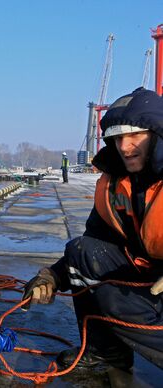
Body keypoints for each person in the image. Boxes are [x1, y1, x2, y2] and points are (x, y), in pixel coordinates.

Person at [22, 87, 163, 371]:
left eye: (135, 135)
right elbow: (94, 241)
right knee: (82, 253)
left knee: (113, 301)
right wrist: (52, 276)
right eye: (118, 137)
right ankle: (106, 351)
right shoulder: (114, 186)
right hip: (148, 279)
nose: (125, 147)